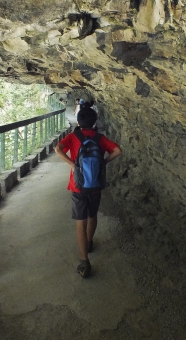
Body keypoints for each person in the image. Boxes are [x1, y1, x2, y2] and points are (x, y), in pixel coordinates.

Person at [54, 107, 122, 278]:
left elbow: (57, 149)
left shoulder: (73, 137)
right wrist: (103, 163)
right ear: (94, 122)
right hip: (96, 185)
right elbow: (117, 150)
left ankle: (84, 262)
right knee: (93, 215)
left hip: (77, 186)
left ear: (78, 121)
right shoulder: (100, 138)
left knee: (80, 222)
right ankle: (90, 242)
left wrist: (71, 165)